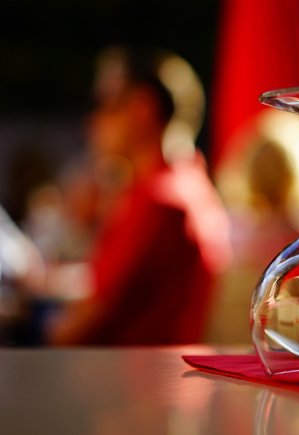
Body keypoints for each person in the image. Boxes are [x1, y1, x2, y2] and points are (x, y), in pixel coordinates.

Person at [48, 47, 232, 345]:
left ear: (141, 109)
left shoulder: (159, 201)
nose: (92, 120)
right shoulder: (188, 184)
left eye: (104, 103)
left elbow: (74, 330)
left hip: (128, 383)